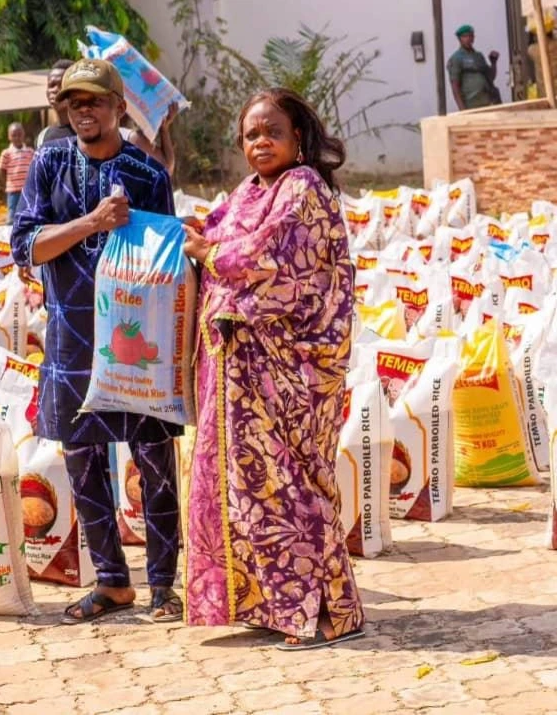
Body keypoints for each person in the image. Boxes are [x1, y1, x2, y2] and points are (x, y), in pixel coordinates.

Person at [181, 88, 365, 650]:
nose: (260, 141)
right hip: (240, 369)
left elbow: (271, 259)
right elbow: (214, 232)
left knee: (294, 484)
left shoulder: (303, 188)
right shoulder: (247, 193)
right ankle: (274, 604)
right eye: (250, 135)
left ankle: (329, 612)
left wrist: (209, 252)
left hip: (292, 371)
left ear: (298, 138)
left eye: (271, 132)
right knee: (250, 490)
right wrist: (197, 235)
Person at [10, 58, 183, 624]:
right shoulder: (50, 162)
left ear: (117, 107)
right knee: (84, 466)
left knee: (154, 462)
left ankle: (163, 584)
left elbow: (169, 259)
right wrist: (92, 222)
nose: (84, 110)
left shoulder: (148, 174)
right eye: (74, 103)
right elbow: (27, 247)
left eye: (95, 101)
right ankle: (112, 583)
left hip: (139, 342)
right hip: (72, 343)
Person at [36, 59, 178, 172]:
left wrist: (164, 130)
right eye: (51, 85)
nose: (55, 90)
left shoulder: (122, 137)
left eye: (95, 101)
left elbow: (164, 168)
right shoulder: (44, 140)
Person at [447, 25, 502, 111]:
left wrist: (493, 63)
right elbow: (455, 86)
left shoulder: (478, 56)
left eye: (471, 36)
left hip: (488, 103)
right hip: (471, 106)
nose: (468, 38)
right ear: (459, 39)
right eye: (465, 36)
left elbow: (491, 77)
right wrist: (463, 110)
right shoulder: (456, 58)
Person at [527, 12, 557, 98]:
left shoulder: (534, 50)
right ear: (551, 30)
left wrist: (532, 28)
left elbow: (529, 43)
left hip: (545, 97)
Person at [0, 122, 35, 224]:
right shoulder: (6, 153)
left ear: (23, 135)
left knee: (28, 212)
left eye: (19, 134)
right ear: (9, 137)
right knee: (12, 214)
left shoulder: (30, 152)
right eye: (14, 135)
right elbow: (2, 170)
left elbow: (34, 168)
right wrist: (7, 184)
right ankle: (10, 234)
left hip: (27, 190)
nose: (17, 138)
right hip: (13, 191)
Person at [35, 60, 77, 150]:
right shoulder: (43, 137)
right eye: (51, 85)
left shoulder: (88, 132)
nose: (55, 90)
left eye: (61, 84)